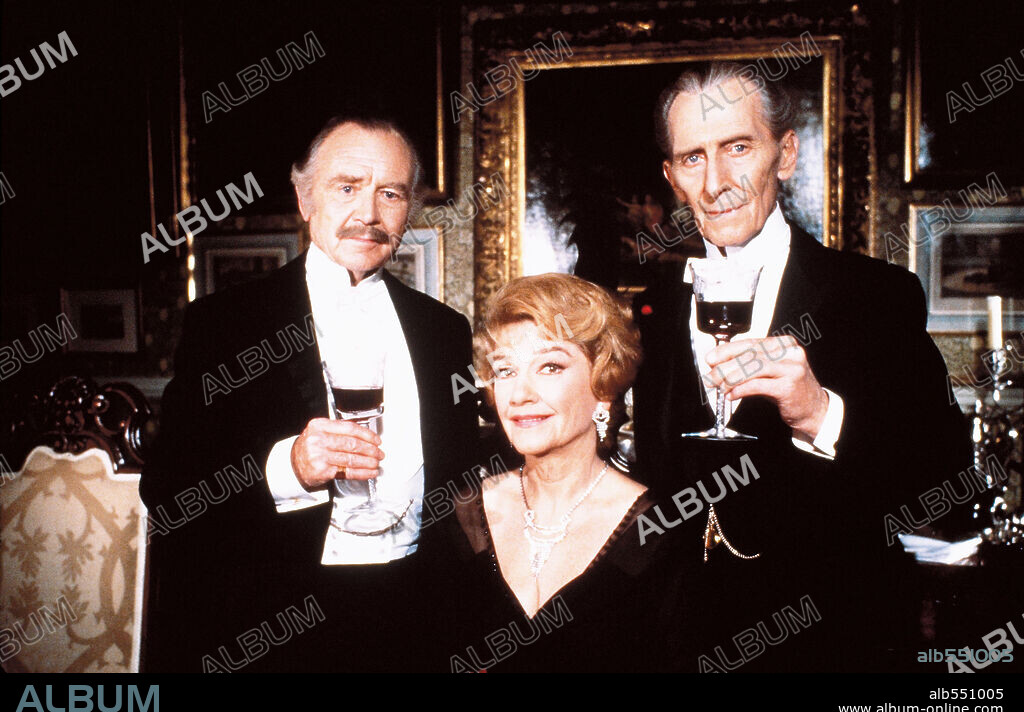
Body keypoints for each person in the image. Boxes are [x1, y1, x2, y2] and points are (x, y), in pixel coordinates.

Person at [631, 63, 973, 671]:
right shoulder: (656, 308)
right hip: (680, 640)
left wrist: (821, 413)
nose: (718, 183)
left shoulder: (876, 294)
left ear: (784, 155)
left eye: (738, 148)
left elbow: (945, 481)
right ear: (672, 179)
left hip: (833, 640)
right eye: (693, 158)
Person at [140, 115, 479, 672]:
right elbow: (169, 489)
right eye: (346, 187)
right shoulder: (227, 323)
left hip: (417, 621)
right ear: (304, 197)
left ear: (408, 208)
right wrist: (289, 466)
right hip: (277, 626)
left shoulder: (444, 330)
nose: (368, 214)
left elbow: (462, 479)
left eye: (389, 194)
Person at [439, 273, 691, 672]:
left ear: (604, 382)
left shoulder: (658, 532)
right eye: (505, 371)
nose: (520, 394)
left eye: (550, 367)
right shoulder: (460, 513)